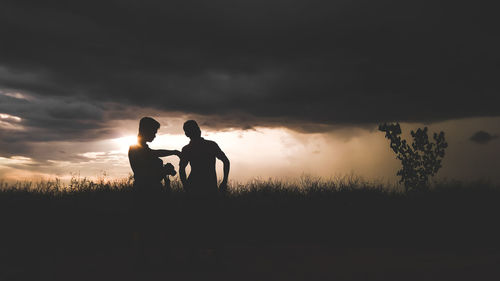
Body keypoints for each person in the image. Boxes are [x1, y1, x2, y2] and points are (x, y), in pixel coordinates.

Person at [128, 117, 181, 191]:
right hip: (145, 191)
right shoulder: (136, 149)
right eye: (154, 132)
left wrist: (164, 170)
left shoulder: (142, 148)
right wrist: (165, 170)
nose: (155, 135)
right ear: (146, 131)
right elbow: (147, 176)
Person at [179, 120, 230, 195]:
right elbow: (226, 161)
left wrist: (186, 185)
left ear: (186, 134)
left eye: (197, 128)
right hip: (206, 186)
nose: (198, 130)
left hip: (196, 186)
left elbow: (181, 169)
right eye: (195, 129)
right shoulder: (210, 145)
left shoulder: (187, 149)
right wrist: (224, 181)